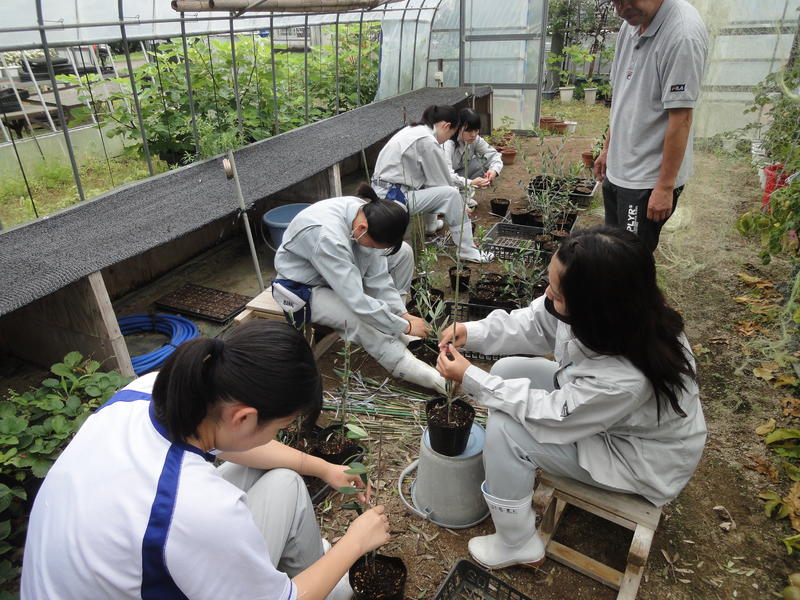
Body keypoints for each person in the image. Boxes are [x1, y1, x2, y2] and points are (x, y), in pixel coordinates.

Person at [22, 320, 391, 600]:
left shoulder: (145, 393)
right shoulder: (197, 509)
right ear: (243, 417)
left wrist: (324, 468)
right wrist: (355, 542)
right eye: (283, 425)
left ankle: (314, 571)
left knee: (286, 481)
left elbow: (234, 447)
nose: (280, 433)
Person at [435, 226, 706, 570]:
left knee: (505, 427)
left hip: (637, 460)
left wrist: (470, 376)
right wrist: (471, 332)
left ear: (595, 307)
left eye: (558, 293)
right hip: (606, 419)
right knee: (506, 371)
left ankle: (516, 542)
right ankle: (513, 493)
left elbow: (553, 415)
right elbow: (534, 324)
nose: (549, 295)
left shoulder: (626, 377)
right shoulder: (619, 316)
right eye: (550, 282)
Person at [273, 183, 447, 394]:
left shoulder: (367, 214)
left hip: (336, 276)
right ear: (362, 229)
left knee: (404, 254)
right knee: (359, 320)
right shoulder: (326, 235)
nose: (373, 249)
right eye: (373, 245)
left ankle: (401, 336)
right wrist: (404, 326)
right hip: (302, 287)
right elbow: (356, 301)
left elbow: (378, 277)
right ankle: (434, 380)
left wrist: (402, 315)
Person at [594, 0, 708, 251]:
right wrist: (607, 150)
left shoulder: (682, 35)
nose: (621, 9)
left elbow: (681, 118)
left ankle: (633, 291)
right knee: (613, 249)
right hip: (620, 169)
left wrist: (665, 186)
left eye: (627, 0)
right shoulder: (631, 23)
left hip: (646, 181)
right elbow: (623, 96)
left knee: (631, 257)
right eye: (615, 2)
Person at [372, 104, 493, 263]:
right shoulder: (427, 141)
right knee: (451, 195)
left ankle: (431, 226)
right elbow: (443, 186)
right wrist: (461, 206)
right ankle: (467, 250)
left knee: (429, 184)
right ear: (446, 126)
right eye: (450, 134)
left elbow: (431, 182)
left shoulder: (414, 130)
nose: (448, 139)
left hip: (384, 190)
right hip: (393, 198)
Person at [443, 108, 503, 201]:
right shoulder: (447, 143)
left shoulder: (476, 139)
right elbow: (447, 175)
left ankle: (463, 196)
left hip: (460, 174)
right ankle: (455, 199)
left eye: (476, 130)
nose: (473, 135)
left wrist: (493, 171)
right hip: (443, 181)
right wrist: (471, 183)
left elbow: (494, 155)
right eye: (469, 130)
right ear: (459, 128)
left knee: (483, 161)